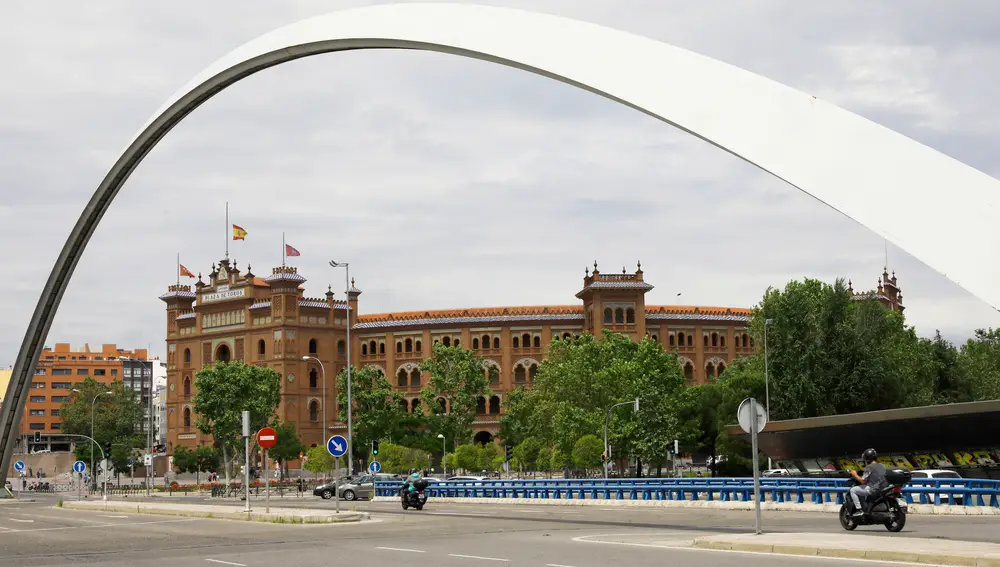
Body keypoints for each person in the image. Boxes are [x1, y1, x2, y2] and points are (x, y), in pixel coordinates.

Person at [848, 448, 887, 516]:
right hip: (882, 488)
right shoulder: (882, 465)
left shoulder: (869, 467)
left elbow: (863, 481)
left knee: (853, 490)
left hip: (873, 489)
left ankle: (859, 509)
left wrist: (855, 474)